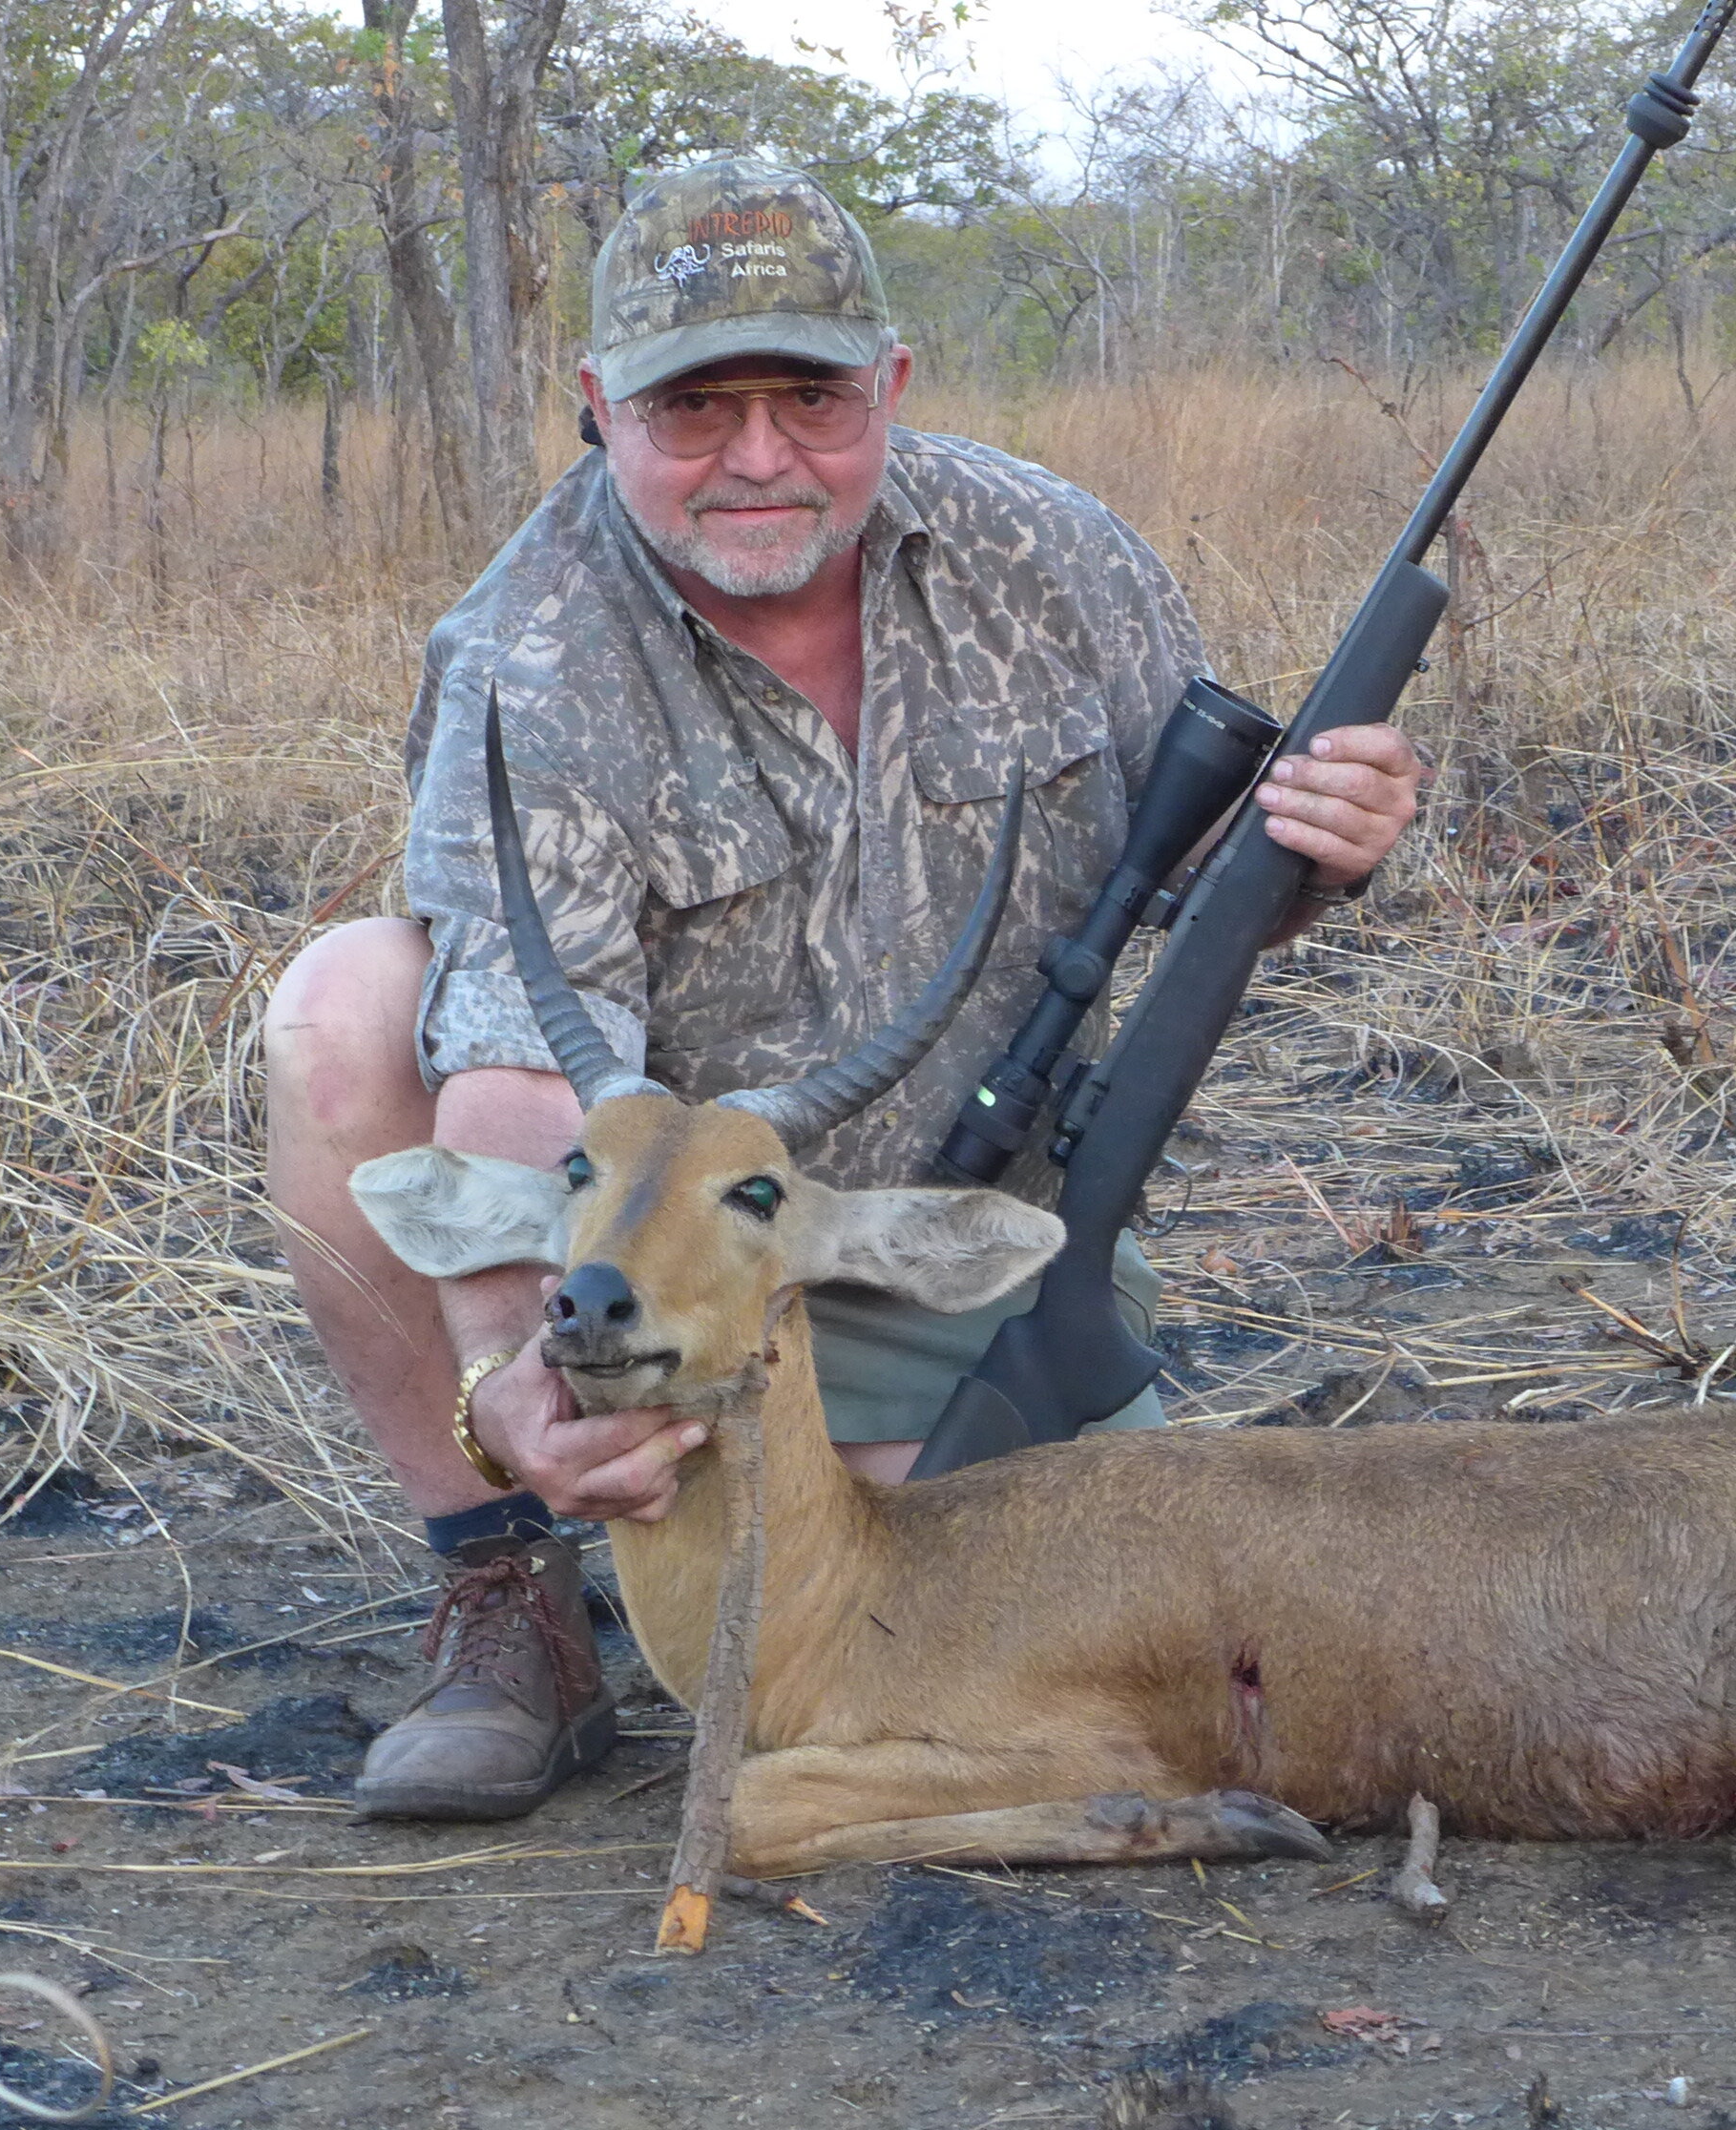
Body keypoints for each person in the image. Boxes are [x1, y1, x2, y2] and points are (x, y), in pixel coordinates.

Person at [261, 157, 1424, 1822]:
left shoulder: (1053, 555)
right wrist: (527, 1369)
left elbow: (1210, 884)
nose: (755, 457)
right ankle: (506, 1584)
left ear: (887, 382)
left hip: (972, 1224)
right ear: (598, 407)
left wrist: (1328, 842)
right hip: (692, 1265)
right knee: (347, 1007)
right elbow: (520, 1073)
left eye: (806, 396)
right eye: (691, 407)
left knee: (1031, 1656)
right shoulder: (528, 650)